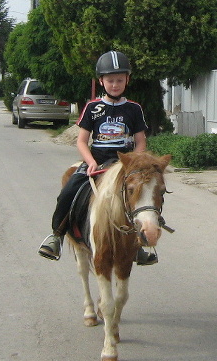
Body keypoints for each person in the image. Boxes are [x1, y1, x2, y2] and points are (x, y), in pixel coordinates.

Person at [38, 50, 154, 263]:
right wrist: (90, 162)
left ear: (127, 80)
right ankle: (56, 236)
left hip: (124, 163)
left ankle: (140, 243)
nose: (115, 85)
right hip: (97, 162)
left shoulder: (134, 108)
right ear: (101, 81)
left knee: (145, 197)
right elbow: (82, 141)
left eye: (120, 80)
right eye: (110, 80)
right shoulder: (92, 108)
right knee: (69, 190)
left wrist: (135, 164)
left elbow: (140, 142)